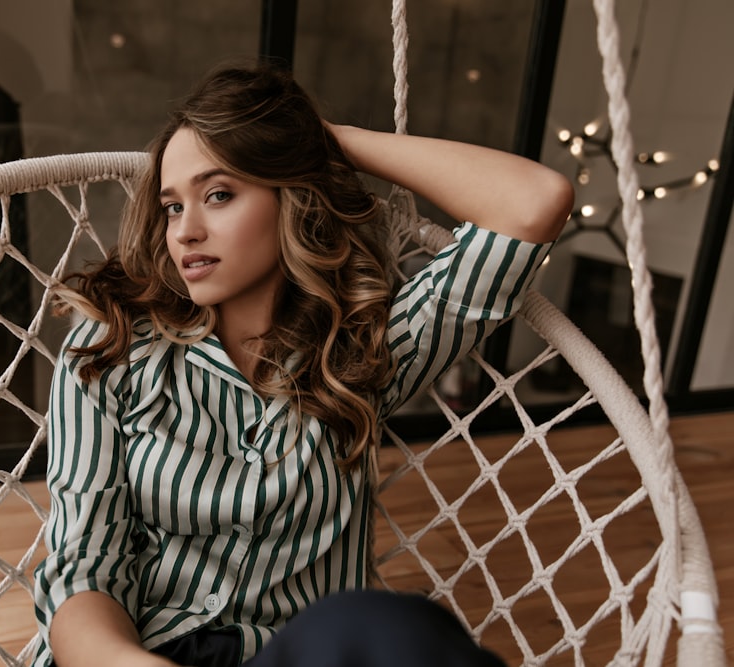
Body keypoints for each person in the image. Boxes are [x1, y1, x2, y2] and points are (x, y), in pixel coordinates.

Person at [32, 63, 573, 667]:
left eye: (218, 194)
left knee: (392, 625)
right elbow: (83, 569)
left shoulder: (364, 352)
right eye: (172, 206)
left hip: (290, 654)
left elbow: (534, 204)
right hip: (133, 654)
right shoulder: (113, 350)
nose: (186, 231)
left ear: (291, 194)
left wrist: (323, 140)